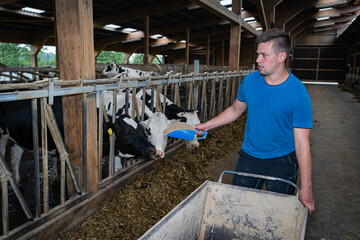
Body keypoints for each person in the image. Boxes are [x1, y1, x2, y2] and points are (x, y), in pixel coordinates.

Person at [195, 28, 315, 213]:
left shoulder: (298, 94)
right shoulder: (250, 82)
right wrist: (206, 125)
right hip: (249, 157)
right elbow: (235, 110)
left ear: (281, 56)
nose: (257, 60)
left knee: (278, 213)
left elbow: (302, 144)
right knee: (239, 209)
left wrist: (306, 187)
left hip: (282, 160)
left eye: (264, 55)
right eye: (258, 54)